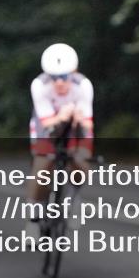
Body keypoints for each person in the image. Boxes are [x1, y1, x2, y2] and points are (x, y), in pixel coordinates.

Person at [25, 43, 94, 213]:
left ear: (74, 73)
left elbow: (88, 123)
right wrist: (62, 116)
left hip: (74, 125)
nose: (60, 82)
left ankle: (73, 193)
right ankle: (33, 215)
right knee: (43, 163)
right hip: (48, 124)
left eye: (64, 76)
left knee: (81, 160)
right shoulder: (39, 85)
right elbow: (47, 123)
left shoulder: (84, 85)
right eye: (54, 77)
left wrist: (78, 118)